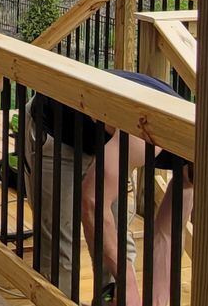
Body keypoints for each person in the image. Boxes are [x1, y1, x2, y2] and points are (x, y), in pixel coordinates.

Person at [22, 69, 193, 306]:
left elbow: (166, 235)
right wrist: (129, 284)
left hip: (102, 137)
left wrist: (156, 301)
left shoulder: (194, 159)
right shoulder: (149, 133)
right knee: (60, 256)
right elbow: (91, 202)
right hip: (57, 124)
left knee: (118, 254)